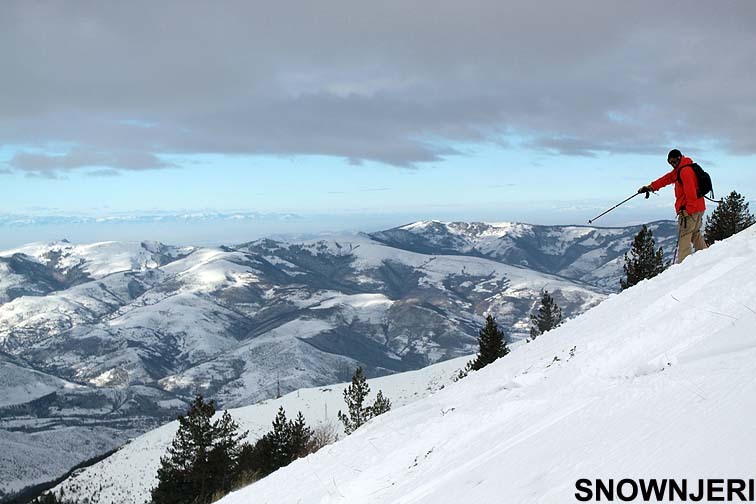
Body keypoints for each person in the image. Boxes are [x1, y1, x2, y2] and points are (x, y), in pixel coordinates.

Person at [638, 149, 708, 264]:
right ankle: (706, 255)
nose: (672, 164)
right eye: (670, 162)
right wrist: (650, 187)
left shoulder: (685, 171)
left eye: (674, 161)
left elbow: (691, 193)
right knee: (695, 233)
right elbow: (666, 179)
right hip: (698, 208)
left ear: (679, 158)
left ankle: (684, 266)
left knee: (684, 236)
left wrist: (688, 211)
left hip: (689, 210)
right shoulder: (681, 169)